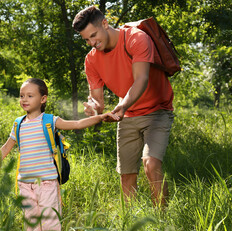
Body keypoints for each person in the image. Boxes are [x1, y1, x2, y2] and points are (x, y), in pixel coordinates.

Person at [0, 78, 117, 231]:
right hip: (24, 185)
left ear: (43, 99)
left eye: (30, 96)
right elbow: (4, 149)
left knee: (50, 228)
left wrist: (100, 117)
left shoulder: (49, 121)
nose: (24, 99)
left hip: (47, 184)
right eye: (22, 95)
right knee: (32, 230)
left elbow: (78, 124)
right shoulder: (18, 124)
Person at [72, 6, 174, 207]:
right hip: (127, 116)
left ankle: (163, 221)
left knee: (151, 164)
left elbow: (141, 79)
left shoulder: (136, 38)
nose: (92, 43)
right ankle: (130, 224)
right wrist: (93, 107)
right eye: (86, 40)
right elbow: (98, 101)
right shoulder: (91, 60)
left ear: (104, 23)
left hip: (157, 111)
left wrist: (123, 105)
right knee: (126, 175)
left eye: (93, 36)